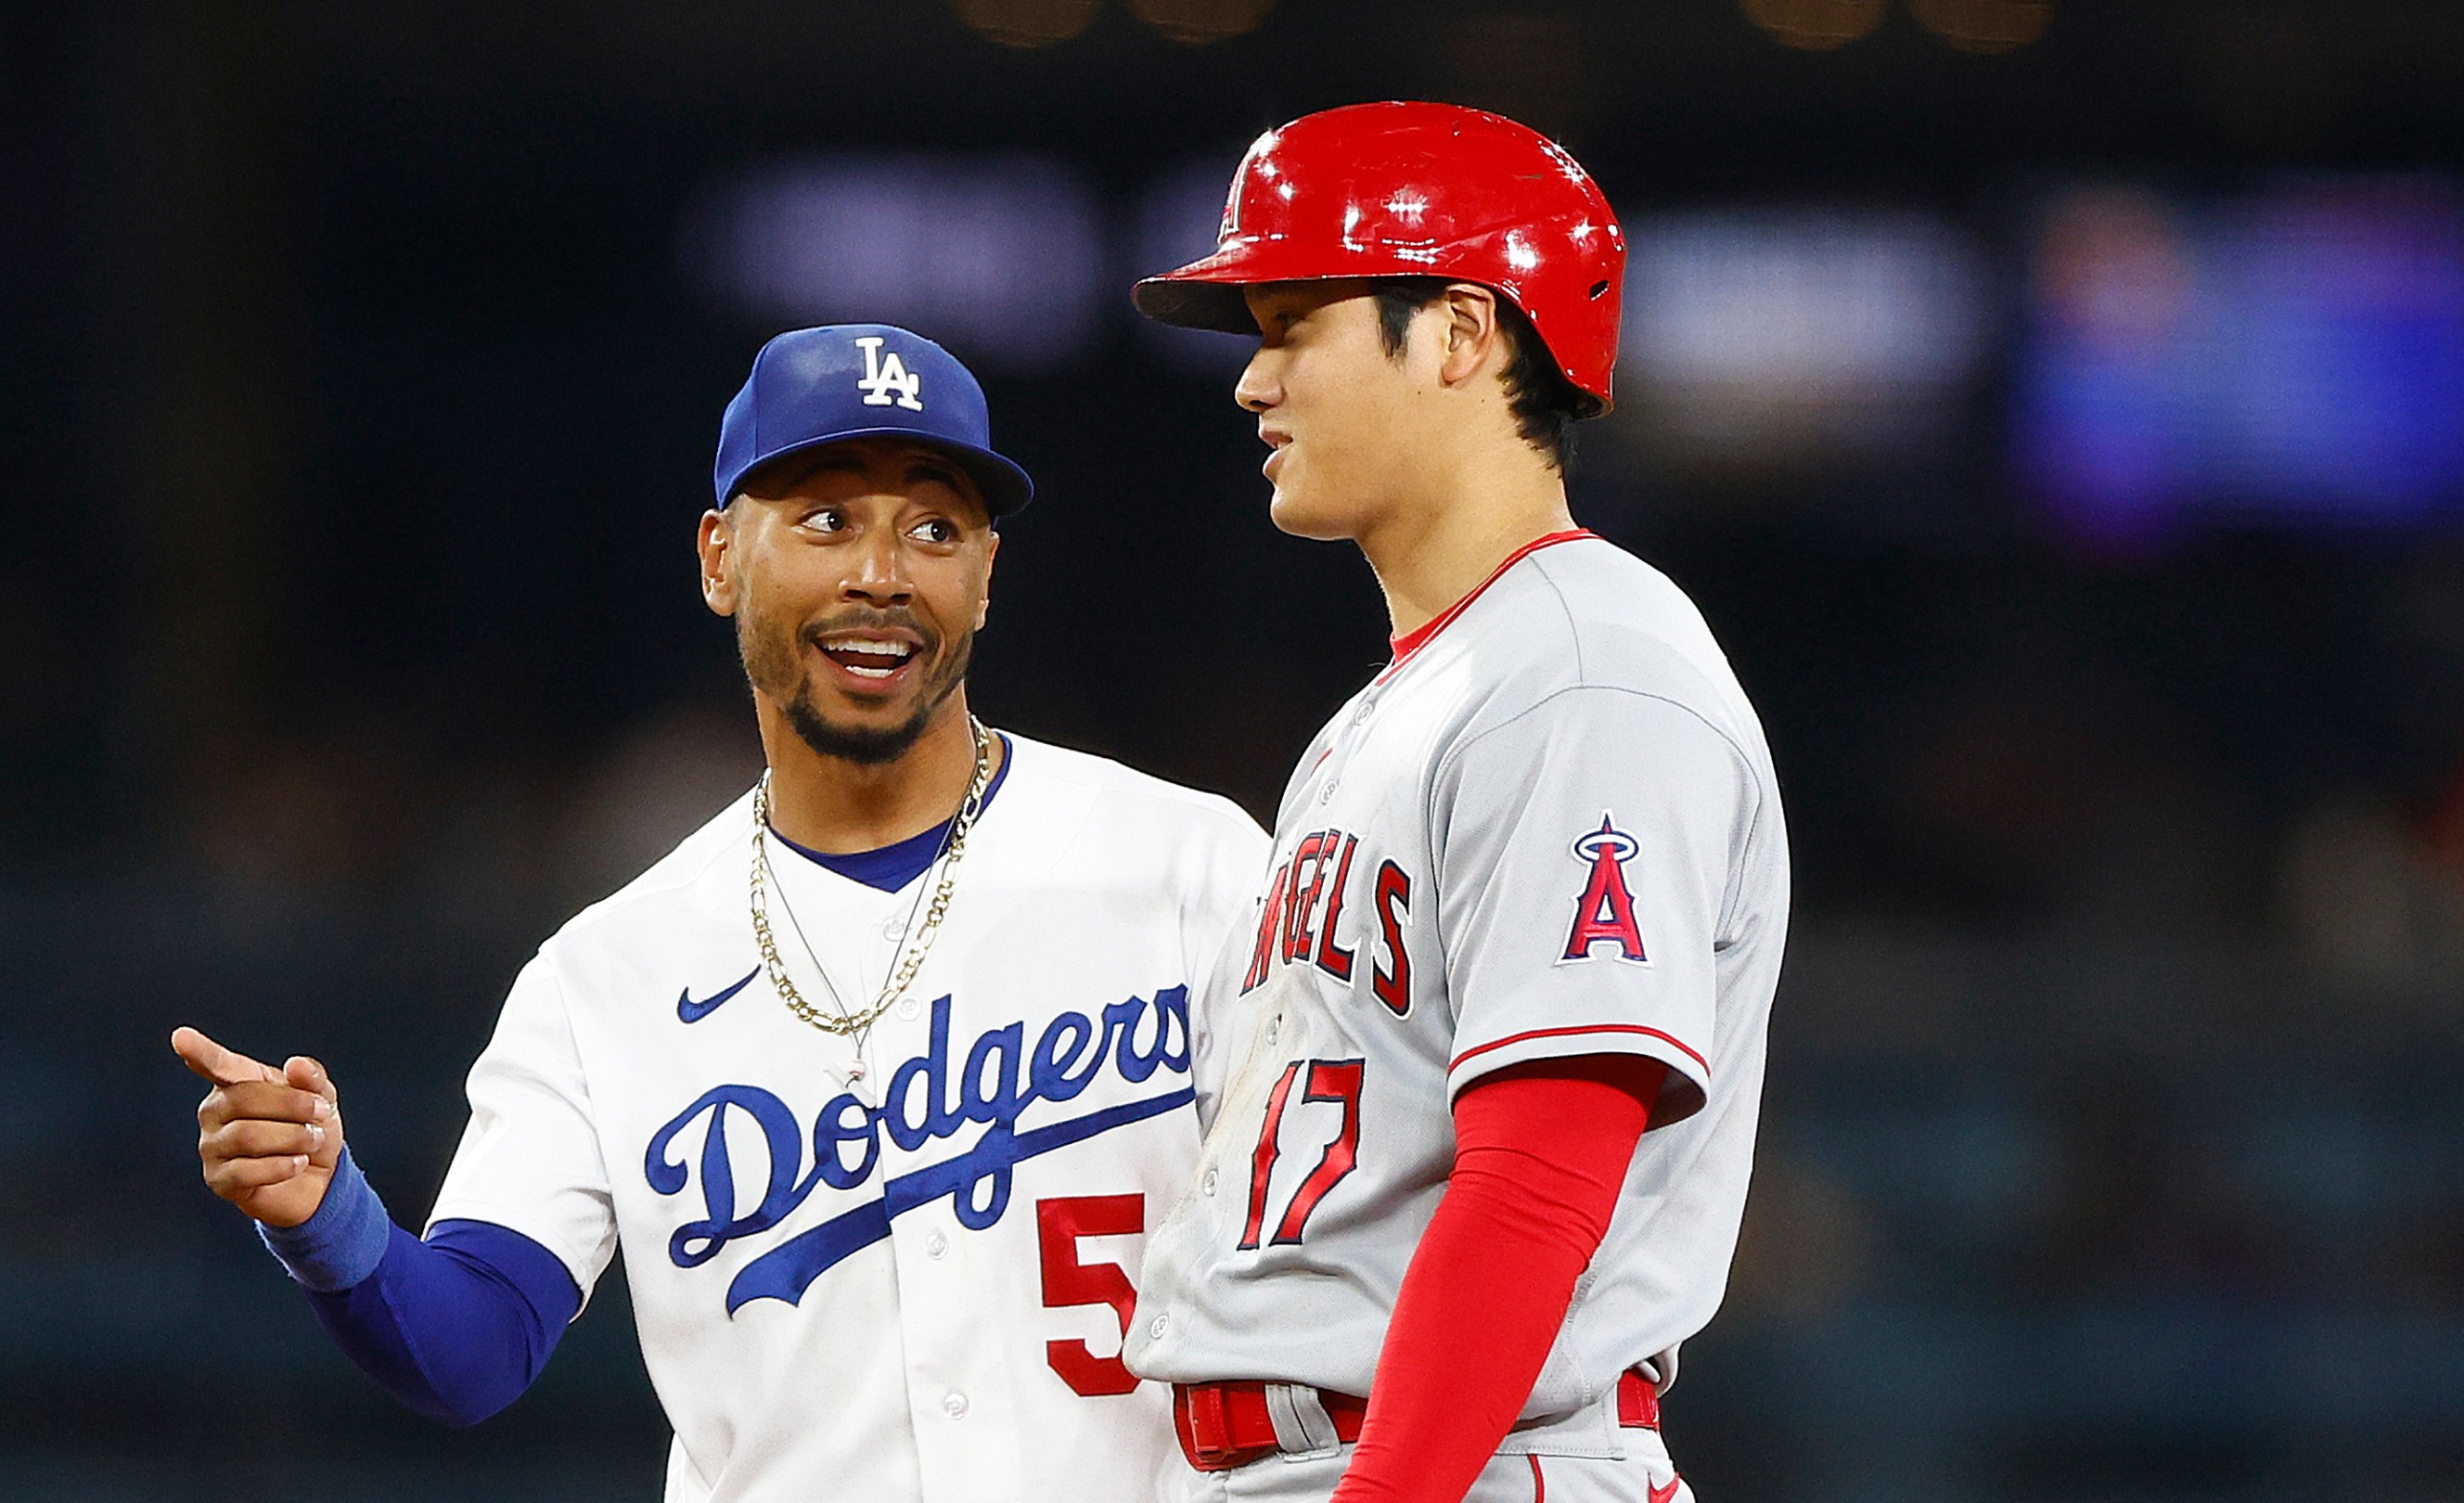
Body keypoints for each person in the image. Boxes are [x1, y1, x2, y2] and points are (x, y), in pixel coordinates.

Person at [173, 324, 1271, 1503]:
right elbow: (475, 1350)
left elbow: (1338, 1254)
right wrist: (329, 1220)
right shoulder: (606, 976)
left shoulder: (1187, 868)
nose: (882, 575)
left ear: (987, 577)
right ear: (717, 560)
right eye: (825, 518)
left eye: (936, 529)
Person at [1119, 103, 1790, 1503]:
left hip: (1467, 1467)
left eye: (1295, 318)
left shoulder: (1589, 674)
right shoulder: (1417, 698)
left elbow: (1538, 1183)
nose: (1254, 380)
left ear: (1465, 335)